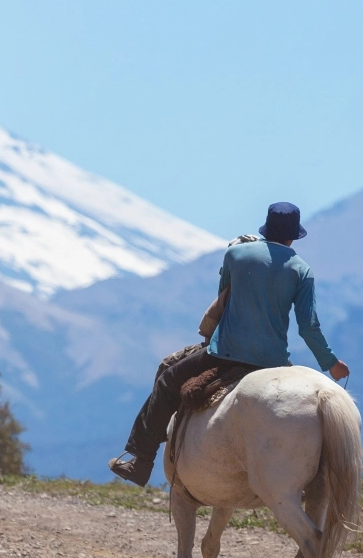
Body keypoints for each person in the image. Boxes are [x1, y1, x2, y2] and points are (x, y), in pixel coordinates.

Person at [109, 202, 349, 486]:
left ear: (266, 228)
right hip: (273, 360)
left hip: (225, 354)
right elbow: (308, 327)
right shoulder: (301, 270)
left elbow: (223, 296)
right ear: (293, 237)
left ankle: (141, 461)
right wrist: (330, 364)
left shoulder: (235, 254)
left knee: (167, 381)